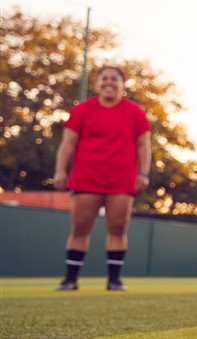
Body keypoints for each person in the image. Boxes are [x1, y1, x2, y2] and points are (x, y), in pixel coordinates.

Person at [52, 65, 151, 291]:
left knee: (117, 228)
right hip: (86, 178)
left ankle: (114, 280)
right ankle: (70, 279)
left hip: (121, 180)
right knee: (80, 227)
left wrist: (143, 173)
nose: (109, 82)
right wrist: (60, 170)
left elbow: (144, 145)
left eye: (114, 79)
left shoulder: (135, 112)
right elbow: (68, 143)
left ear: (122, 84)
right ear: (97, 84)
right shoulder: (82, 110)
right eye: (104, 78)